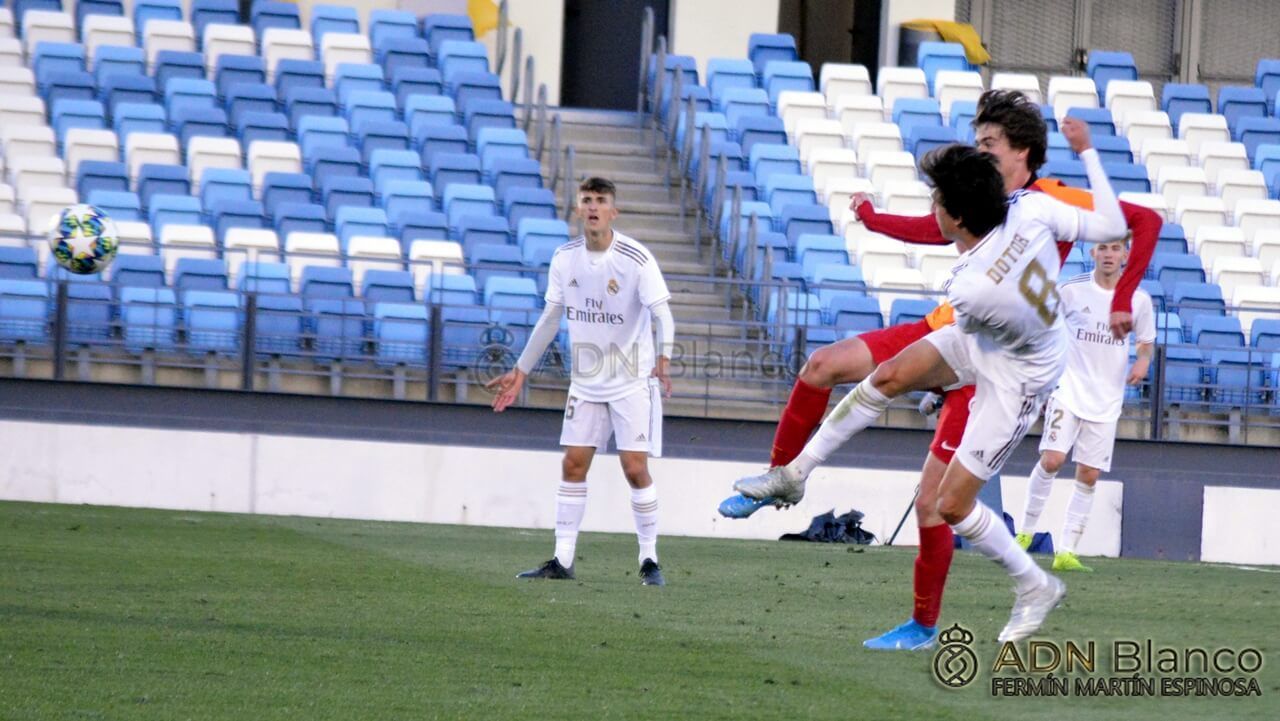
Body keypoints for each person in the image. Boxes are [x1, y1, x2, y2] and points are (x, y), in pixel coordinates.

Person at [722, 89, 1161, 650]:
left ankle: (1032, 584)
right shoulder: (1029, 207)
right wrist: (1090, 153)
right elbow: (1104, 223)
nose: (980, 151)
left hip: (1016, 372)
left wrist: (938, 385)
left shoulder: (977, 277)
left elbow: (1132, 223)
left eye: (989, 143)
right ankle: (792, 473)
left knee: (947, 504)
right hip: (994, 333)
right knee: (886, 376)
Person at [486, 177, 675, 586]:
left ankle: (649, 560)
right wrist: (521, 371)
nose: (593, 207)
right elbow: (550, 318)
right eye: (586, 200)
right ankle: (563, 559)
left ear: (613, 211)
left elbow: (663, 314)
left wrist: (664, 357)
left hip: (631, 381)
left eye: (601, 200)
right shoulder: (565, 258)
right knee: (573, 464)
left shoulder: (636, 258)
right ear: (577, 209)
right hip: (586, 383)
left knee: (634, 468)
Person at [1015, 239, 1156, 572]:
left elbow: (1146, 343)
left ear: (1125, 254)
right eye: (1102, 248)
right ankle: (1025, 532)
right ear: (1092, 252)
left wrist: (1143, 361)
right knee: (1052, 459)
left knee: (1089, 475)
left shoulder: (1138, 299)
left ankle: (1066, 551)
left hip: (1107, 399)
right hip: (1068, 388)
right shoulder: (1072, 290)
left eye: (1115, 248)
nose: (1108, 254)